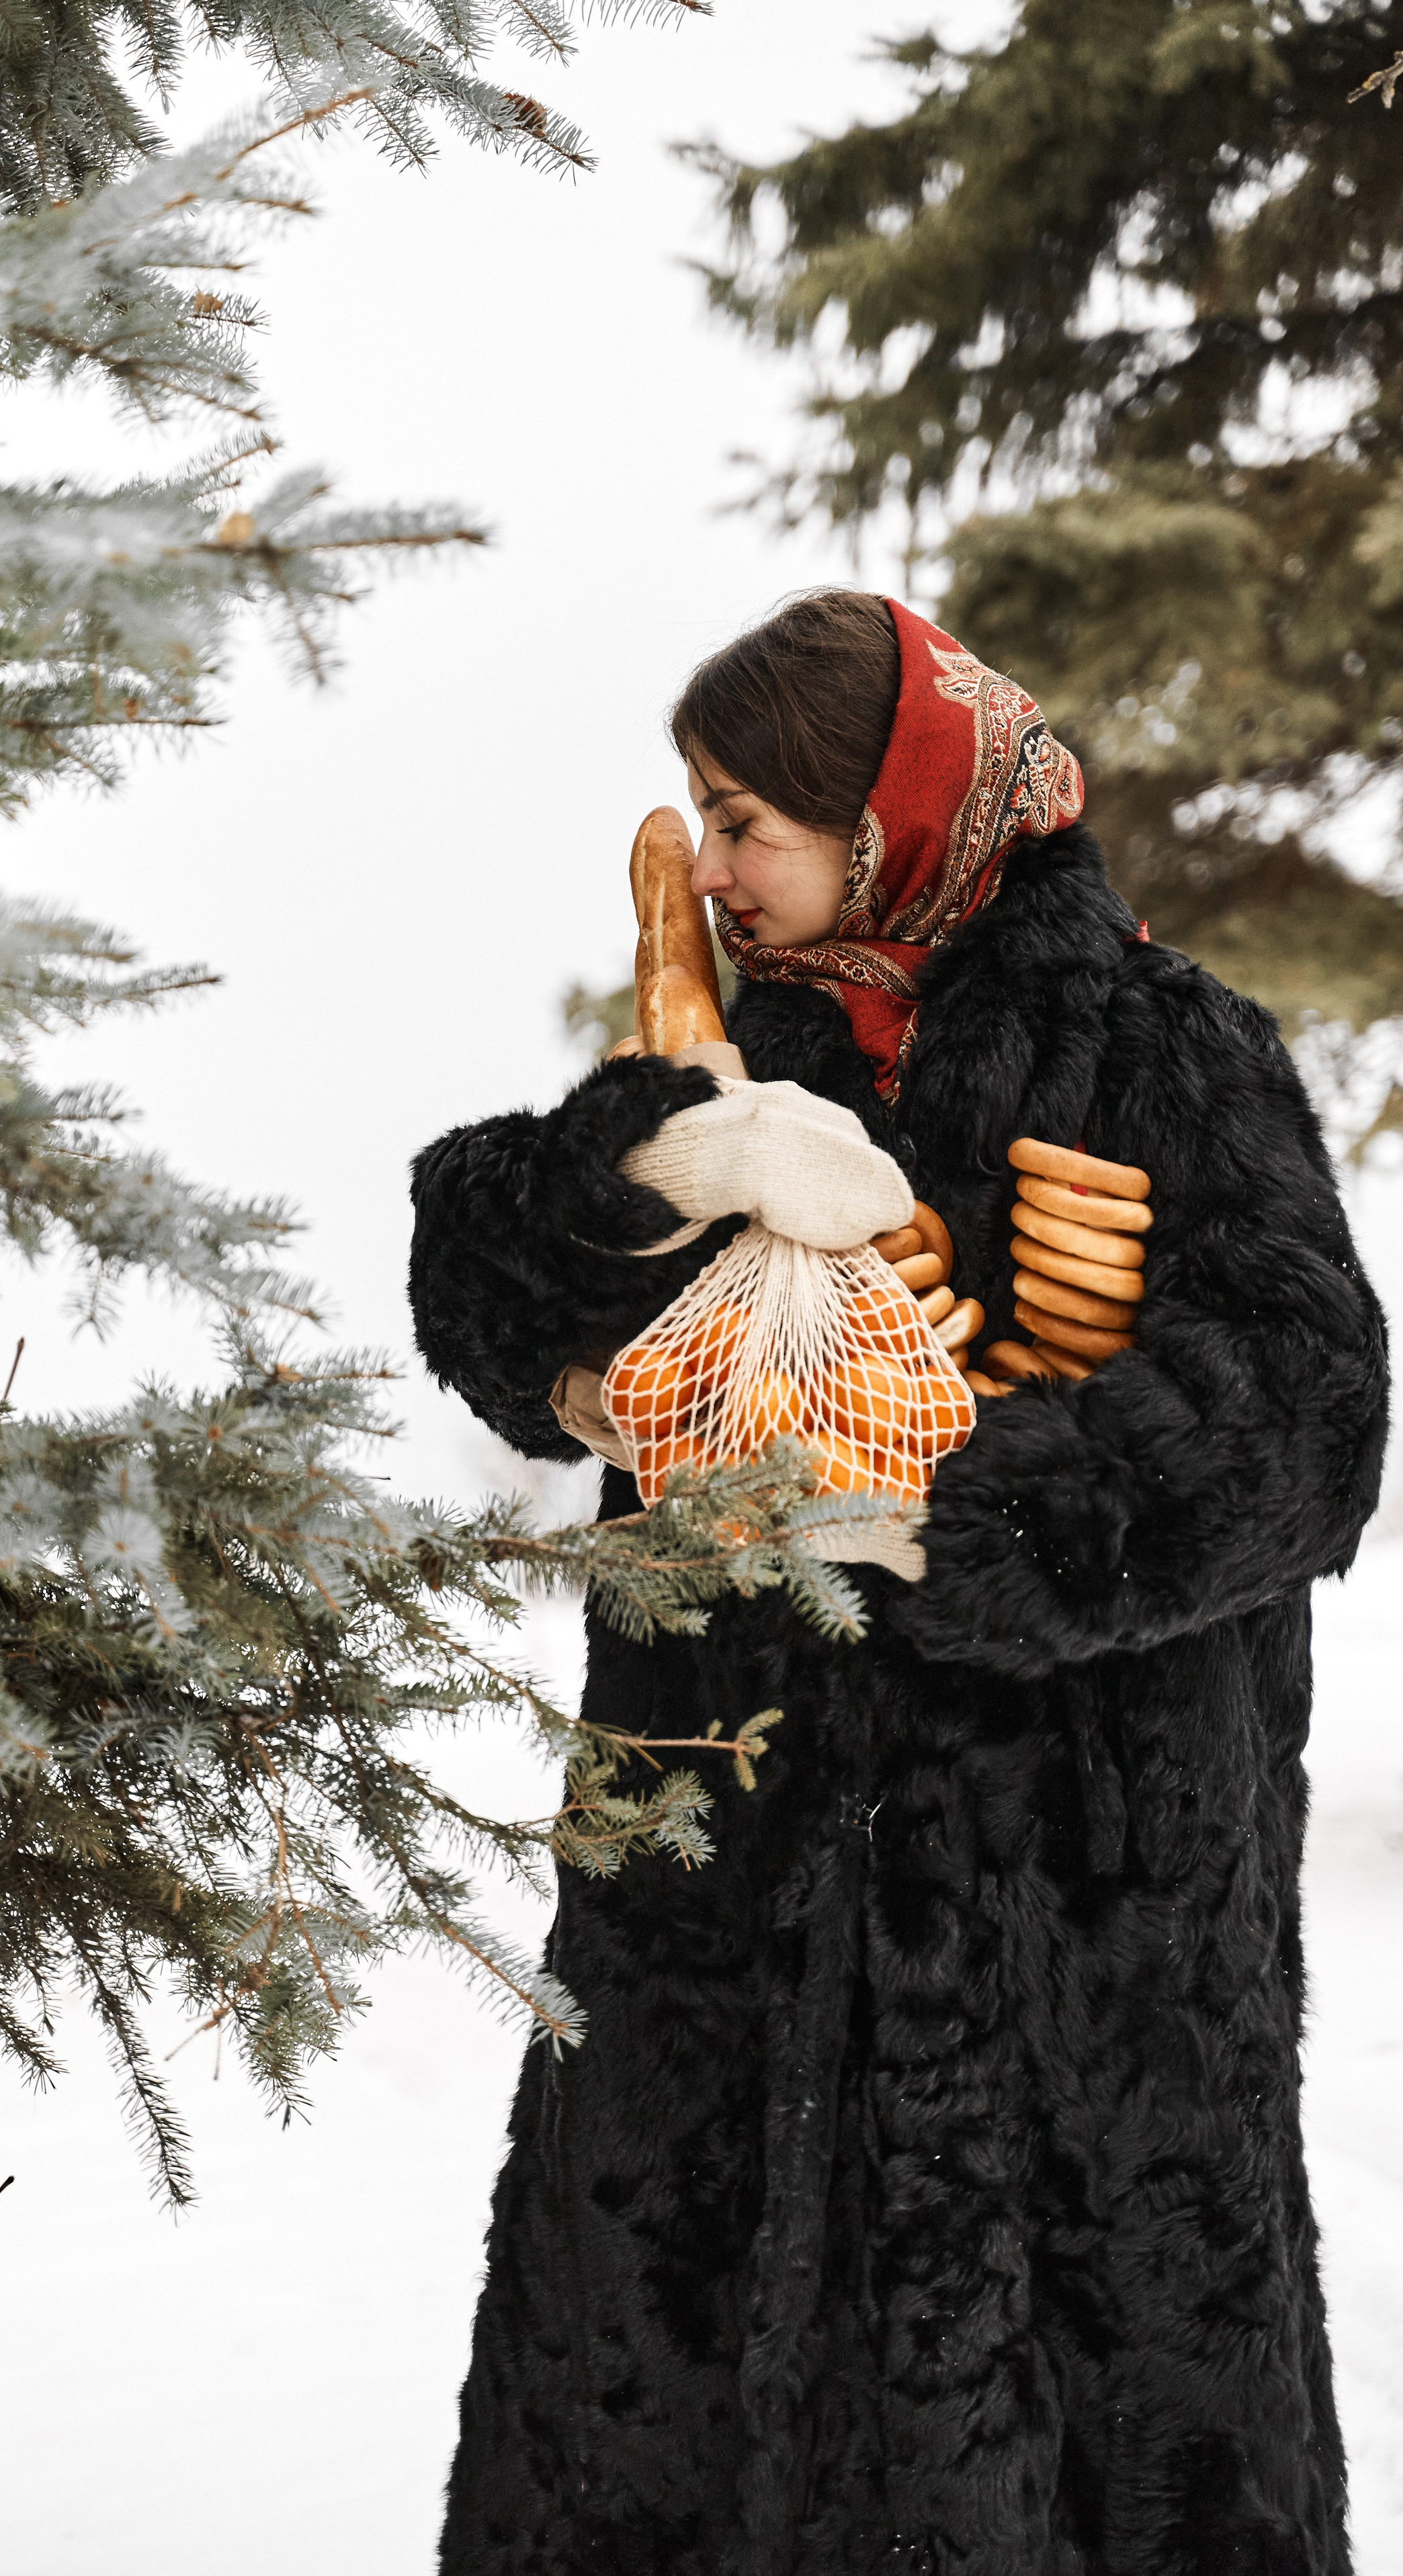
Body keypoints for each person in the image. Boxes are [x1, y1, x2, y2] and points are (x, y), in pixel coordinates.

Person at [407, 590, 1388, 2576]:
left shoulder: (1170, 1055)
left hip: (1081, 1957)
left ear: (886, 816)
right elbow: (477, 1278)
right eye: (694, 808)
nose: (712, 860)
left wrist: (948, 1510)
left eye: (748, 814)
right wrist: (661, 1180)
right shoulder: (723, 1063)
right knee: (660, 2428)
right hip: (714, 1929)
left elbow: (1309, 1413)